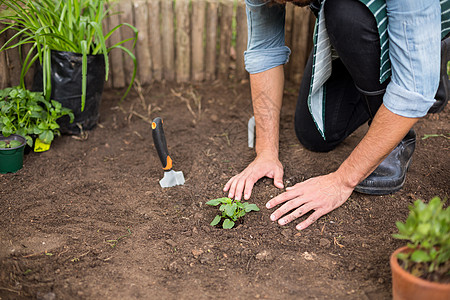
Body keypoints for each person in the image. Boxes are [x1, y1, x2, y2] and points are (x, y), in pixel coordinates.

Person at [224, 0, 450, 231]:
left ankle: (426, 73)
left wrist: (342, 180)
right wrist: (266, 153)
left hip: (418, 31)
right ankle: (372, 68)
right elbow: (264, 50)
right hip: (360, 31)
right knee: (316, 133)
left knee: (344, 12)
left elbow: (413, 90)